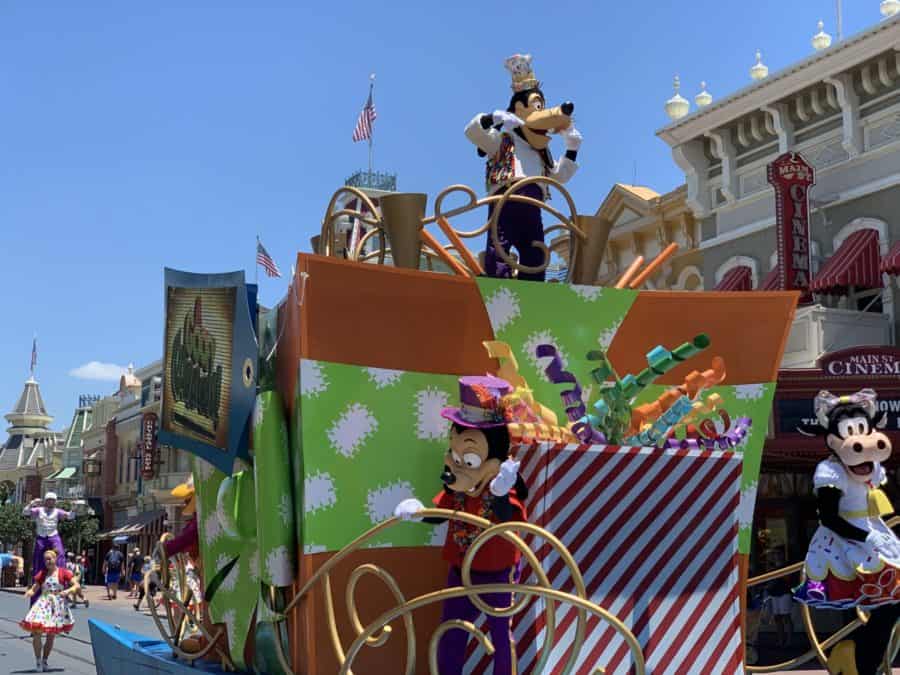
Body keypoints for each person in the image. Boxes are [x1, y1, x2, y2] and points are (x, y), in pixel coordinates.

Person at [21, 549, 78, 672]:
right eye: (45, 559)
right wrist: (29, 592)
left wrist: (68, 591)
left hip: (56, 607)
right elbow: (35, 588)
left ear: (55, 559)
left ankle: (45, 660)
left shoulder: (64, 573)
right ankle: (38, 661)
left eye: (49, 558)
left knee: (51, 636)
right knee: (36, 632)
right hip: (43, 605)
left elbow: (76, 585)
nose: (47, 561)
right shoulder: (42, 574)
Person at [22, 492, 76, 579]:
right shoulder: (39, 510)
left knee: (60, 555)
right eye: (49, 500)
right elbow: (25, 512)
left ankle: (61, 578)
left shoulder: (58, 511)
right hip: (41, 537)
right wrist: (31, 504)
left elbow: (70, 516)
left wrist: (74, 508)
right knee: (39, 557)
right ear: (45, 501)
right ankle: (38, 581)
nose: (51, 502)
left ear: (55, 502)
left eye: (53, 500)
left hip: (53, 536)